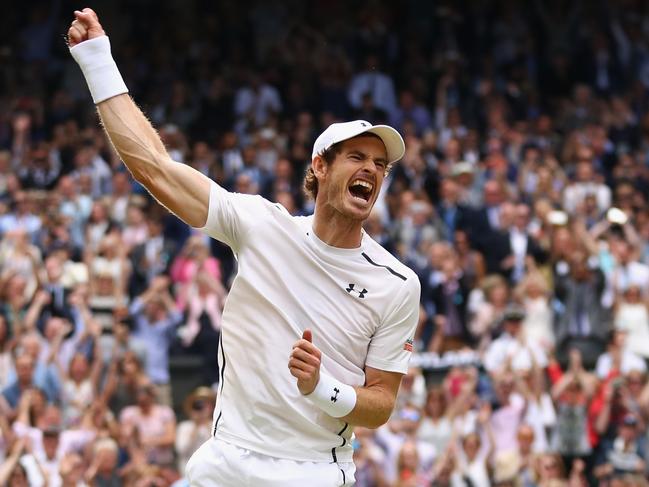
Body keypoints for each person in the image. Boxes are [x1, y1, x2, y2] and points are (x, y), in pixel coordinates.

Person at [67, 8, 420, 487]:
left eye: (381, 165)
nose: (373, 171)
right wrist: (96, 59)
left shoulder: (396, 283)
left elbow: (381, 403)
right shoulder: (260, 225)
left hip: (313, 472)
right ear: (320, 166)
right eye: (357, 157)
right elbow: (155, 168)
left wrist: (324, 390)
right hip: (226, 459)